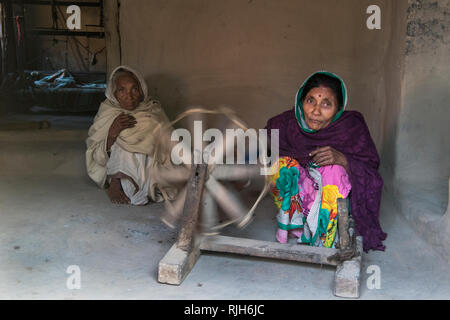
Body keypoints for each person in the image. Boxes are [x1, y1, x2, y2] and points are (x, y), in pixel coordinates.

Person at [266, 71, 386, 252]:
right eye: (310, 101)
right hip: (299, 194)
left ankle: (325, 234)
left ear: (338, 109)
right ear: (300, 101)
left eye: (326, 104)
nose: (315, 111)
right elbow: (260, 151)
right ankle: (295, 226)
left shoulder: (350, 127)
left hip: (330, 199)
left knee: (334, 171)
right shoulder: (285, 124)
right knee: (280, 166)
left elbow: (371, 169)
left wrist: (344, 160)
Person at [86, 65, 178, 205]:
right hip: (114, 167)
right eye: (122, 90)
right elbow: (96, 157)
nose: (129, 96)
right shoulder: (107, 112)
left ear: (142, 91)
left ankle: (131, 184)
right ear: (113, 93)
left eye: (134, 89)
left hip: (149, 166)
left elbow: (170, 146)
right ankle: (116, 182)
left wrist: (145, 139)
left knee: (138, 134)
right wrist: (112, 133)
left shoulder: (152, 109)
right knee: (123, 137)